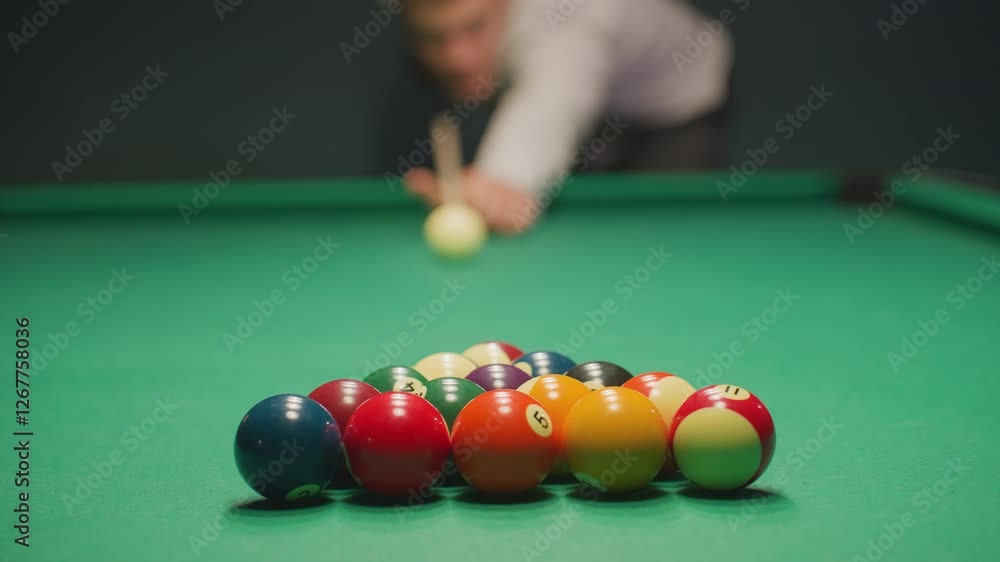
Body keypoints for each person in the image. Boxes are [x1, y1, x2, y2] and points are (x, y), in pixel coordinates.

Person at [401, 0, 733, 233]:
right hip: (599, 107)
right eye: (435, 39)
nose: (457, 58)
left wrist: (502, 182)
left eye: (475, 27)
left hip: (678, 96)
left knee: (665, 234)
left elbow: (553, 97)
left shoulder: (559, 15)